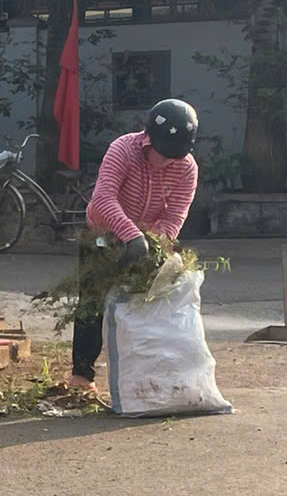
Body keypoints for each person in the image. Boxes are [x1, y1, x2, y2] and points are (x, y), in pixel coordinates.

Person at [71, 98, 201, 386]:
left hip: (146, 241)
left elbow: (175, 213)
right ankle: (81, 376)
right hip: (103, 234)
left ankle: (143, 378)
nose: (166, 161)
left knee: (144, 305)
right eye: (162, 154)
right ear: (149, 139)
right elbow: (103, 198)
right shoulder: (123, 149)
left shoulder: (186, 167)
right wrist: (131, 235)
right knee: (92, 303)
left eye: (173, 156)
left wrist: (155, 244)